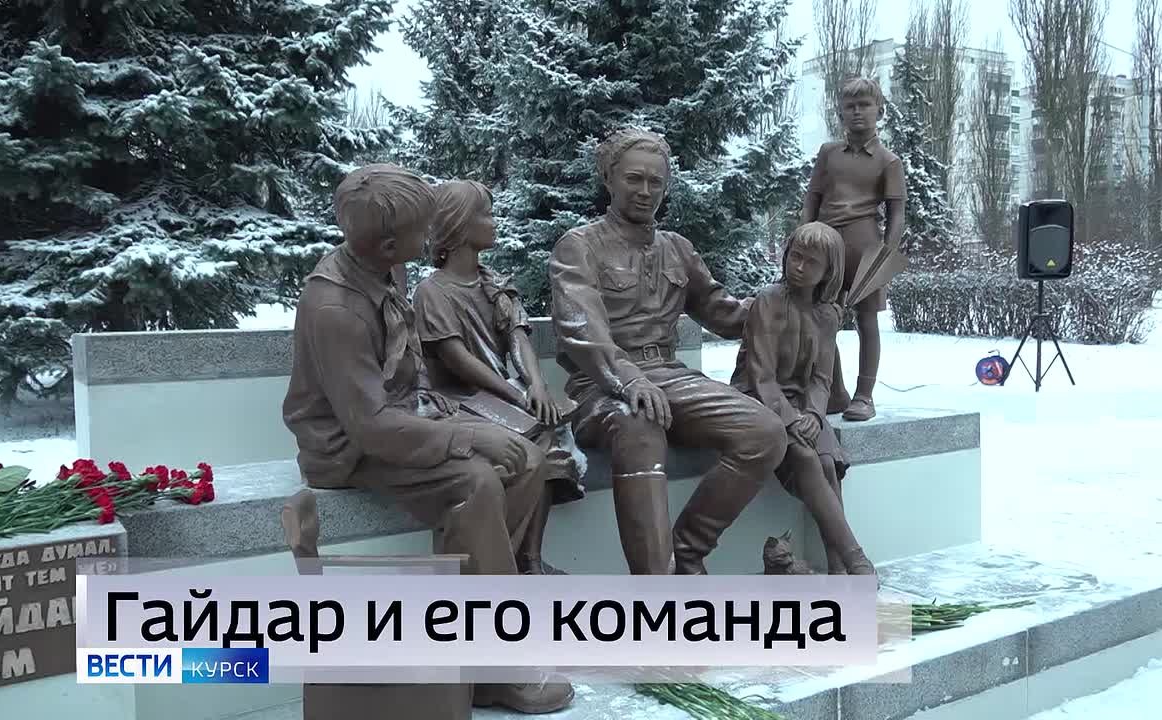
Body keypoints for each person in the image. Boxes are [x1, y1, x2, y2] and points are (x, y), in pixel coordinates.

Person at [281, 164, 574, 716]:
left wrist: (443, 411)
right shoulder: (335, 309)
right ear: (390, 244)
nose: (432, 234)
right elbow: (368, 426)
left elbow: (402, 366)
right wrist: (468, 435)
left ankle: (466, 651)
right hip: (346, 445)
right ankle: (499, 670)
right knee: (477, 482)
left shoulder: (383, 266)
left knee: (530, 460)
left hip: (404, 415)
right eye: (424, 228)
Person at [549, 127, 788, 576]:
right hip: (601, 387)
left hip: (672, 378)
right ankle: (657, 586)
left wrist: (783, 301)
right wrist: (630, 380)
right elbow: (584, 332)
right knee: (639, 425)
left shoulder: (678, 249)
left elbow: (725, 314)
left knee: (765, 433)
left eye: (655, 182)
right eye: (633, 179)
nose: (645, 191)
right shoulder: (578, 246)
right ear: (609, 178)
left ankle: (688, 549)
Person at [413, 179, 586, 576]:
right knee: (529, 439)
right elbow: (456, 358)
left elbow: (519, 339)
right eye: (485, 215)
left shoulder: (495, 284)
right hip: (460, 401)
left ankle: (530, 559)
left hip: (500, 395)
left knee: (550, 431)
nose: (494, 222)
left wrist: (536, 386)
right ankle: (499, 559)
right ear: (459, 224)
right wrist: (515, 393)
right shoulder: (432, 292)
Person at [730, 222, 875, 576]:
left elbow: (822, 379)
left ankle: (838, 567)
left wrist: (812, 414)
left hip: (802, 404)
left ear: (829, 271)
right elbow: (761, 374)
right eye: (795, 256)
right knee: (807, 456)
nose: (799, 266)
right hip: (758, 398)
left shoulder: (828, 315)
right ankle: (855, 560)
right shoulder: (769, 300)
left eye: (811, 262)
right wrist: (791, 418)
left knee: (828, 462)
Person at [802, 76, 907, 422]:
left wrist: (887, 253)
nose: (857, 112)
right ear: (840, 112)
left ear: (880, 110)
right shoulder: (828, 153)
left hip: (866, 248)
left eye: (864, 105)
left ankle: (864, 395)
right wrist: (803, 238)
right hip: (824, 248)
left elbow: (897, 213)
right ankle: (834, 391)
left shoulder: (888, 161)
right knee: (820, 319)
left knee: (867, 321)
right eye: (850, 106)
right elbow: (812, 198)